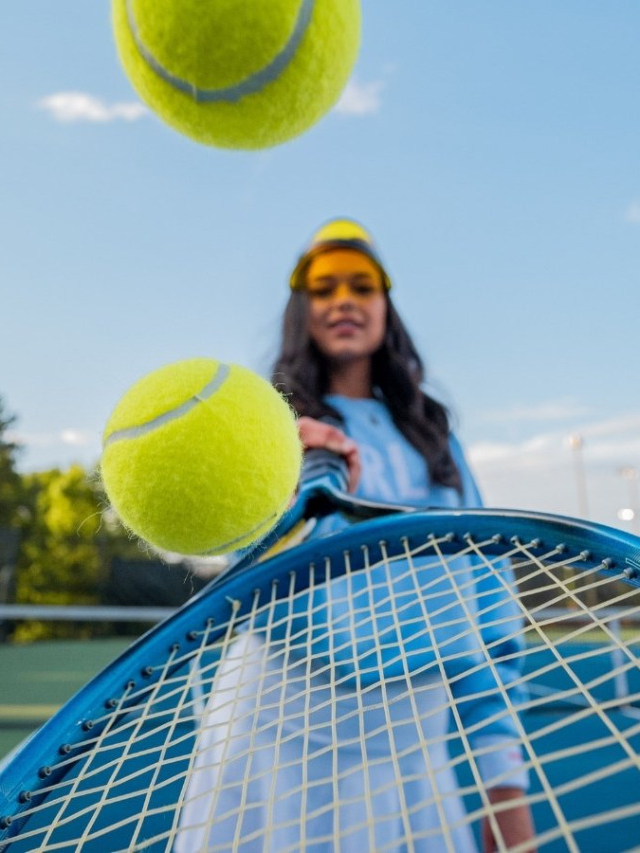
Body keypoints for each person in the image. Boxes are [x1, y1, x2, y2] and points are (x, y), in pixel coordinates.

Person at [175, 219, 533, 852]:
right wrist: (280, 481)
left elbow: (488, 603)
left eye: (362, 286)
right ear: (301, 309)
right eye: (324, 287)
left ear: (385, 308)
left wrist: (504, 786)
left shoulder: (438, 443)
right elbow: (242, 567)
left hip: (411, 742)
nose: (343, 299)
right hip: (274, 729)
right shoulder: (269, 428)